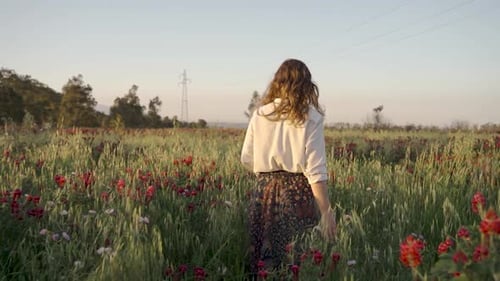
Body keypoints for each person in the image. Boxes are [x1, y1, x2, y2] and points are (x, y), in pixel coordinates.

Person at [240, 58, 336, 276]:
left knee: (263, 264)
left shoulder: (260, 114)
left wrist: (266, 174)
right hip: (297, 193)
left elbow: (246, 157)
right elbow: (315, 170)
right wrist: (326, 212)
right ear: (306, 85)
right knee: (295, 262)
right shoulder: (311, 117)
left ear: (277, 82)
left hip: (263, 192)